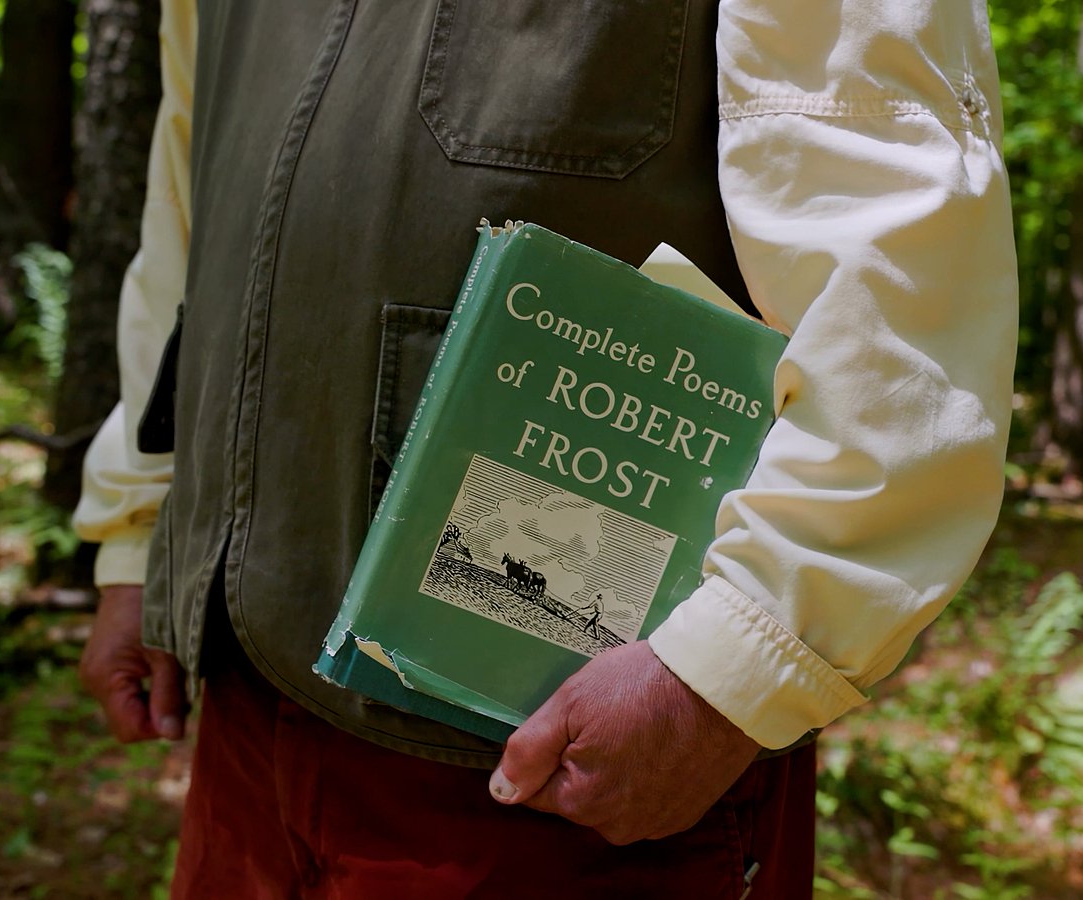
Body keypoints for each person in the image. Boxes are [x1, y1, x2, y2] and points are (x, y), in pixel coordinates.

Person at [75, 0, 1018, 896]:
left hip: (567, 753)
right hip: (249, 688)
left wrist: (734, 665)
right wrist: (142, 525)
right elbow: (195, 199)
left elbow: (899, 255)